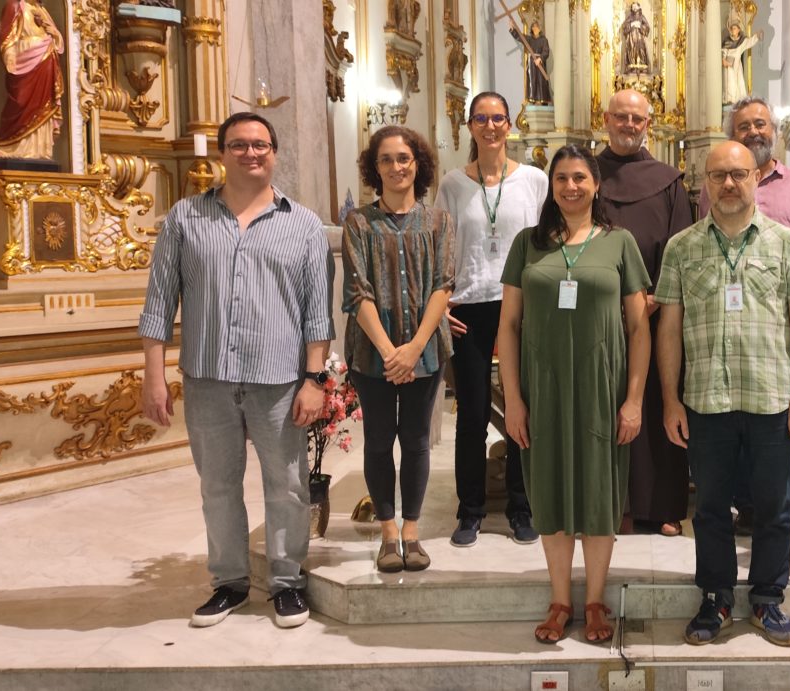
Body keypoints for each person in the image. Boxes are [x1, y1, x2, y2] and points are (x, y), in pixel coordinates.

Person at [139, 112, 333, 628]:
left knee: (287, 485)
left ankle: (288, 583)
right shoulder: (185, 219)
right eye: (240, 145)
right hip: (208, 377)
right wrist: (153, 375)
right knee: (217, 486)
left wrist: (314, 380)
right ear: (222, 153)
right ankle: (228, 582)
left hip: (278, 380)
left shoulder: (304, 224)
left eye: (261, 145)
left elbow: (318, 312)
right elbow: (159, 303)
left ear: (275, 152)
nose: (252, 153)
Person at [657, 141, 790, 648]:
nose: (729, 184)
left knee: (774, 506)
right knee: (709, 509)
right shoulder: (682, 247)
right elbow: (668, 328)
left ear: (756, 177)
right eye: (718, 175)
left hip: (772, 397)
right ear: (704, 183)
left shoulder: (786, 243)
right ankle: (716, 598)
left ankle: (768, 599)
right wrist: (670, 399)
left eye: (739, 174)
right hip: (706, 401)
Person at [498, 145, 651, 644]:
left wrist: (633, 399)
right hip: (543, 388)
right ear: (551, 185)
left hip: (602, 388)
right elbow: (509, 325)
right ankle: (561, 600)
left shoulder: (619, 242)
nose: (570, 186)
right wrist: (514, 399)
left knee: (600, 493)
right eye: (561, 178)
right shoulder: (528, 244)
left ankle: (595, 600)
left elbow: (639, 328)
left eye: (580, 177)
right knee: (550, 488)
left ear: (596, 184)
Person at [699, 97, 790, 541]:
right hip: (736, 323)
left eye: (761, 124)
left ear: (774, 129)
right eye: (744, 126)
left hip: (788, 314)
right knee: (742, 417)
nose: (754, 132)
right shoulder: (715, 186)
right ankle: (750, 505)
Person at [437, 91, 548, 548]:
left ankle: (523, 506)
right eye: (481, 118)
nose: (490, 126)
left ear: (510, 124)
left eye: (498, 118)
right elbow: (442, 247)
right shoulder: (452, 183)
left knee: (524, 407)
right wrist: (440, 302)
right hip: (468, 308)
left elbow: (546, 242)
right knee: (473, 413)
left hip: (522, 304)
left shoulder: (534, 180)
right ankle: (471, 509)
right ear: (469, 126)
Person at [341, 125, 454, 574]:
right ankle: (387, 532)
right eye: (386, 159)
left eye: (404, 158)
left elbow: (443, 285)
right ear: (375, 168)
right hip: (373, 354)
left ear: (418, 164)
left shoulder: (439, 221)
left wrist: (416, 347)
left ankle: (412, 530)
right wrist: (393, 352)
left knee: (417, 441)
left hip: (425, 351)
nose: (396, 167)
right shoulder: (358, 223)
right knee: (379, 440)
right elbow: (357, 291)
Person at [595, 89, 694, 537]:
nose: (629, 125)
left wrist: (652, 297)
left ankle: (663, 505)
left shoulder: (668, 180)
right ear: (606, 118)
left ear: (648, 124)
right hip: (596, 314)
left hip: (656, 312)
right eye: (621, 117)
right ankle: (614, 501)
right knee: (606, 405)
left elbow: (680, 244)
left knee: (658, 402)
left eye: (637, 118)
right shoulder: (585, 174)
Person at [0, 0, 65, 160]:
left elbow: (58, 42)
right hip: (24, 64)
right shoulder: (14, 6)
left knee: (43, 106)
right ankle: (13, 147)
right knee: (20, 101)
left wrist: (51, 30)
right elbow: (7, 38)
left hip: (46, 65)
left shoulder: (42, 10)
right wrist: (10, 56)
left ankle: (40, 150)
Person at [510, 20, 552, 105]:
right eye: (533, 27)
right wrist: (512, 29)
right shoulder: (529, 39)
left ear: (539, 29)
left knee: (541, 81)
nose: (535, 28)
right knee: (532, 81)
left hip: (540, 63)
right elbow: (521, 37)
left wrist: (540, 58)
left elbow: (546, 51)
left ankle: (542, 100)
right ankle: (532, 98)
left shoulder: (544, 40)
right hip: (532, 63)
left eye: (536, 27)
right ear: (531, 29)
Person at [720, 22, 760, 106]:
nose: (733, 30)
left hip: (737, 66)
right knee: (729, 83)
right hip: (728, 66)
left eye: (734, 28)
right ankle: (729, 100)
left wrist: (756, 36)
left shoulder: (742, 41)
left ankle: (737, 101)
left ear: (738, 30)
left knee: (738, 83)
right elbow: (723, 51)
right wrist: (723, 60)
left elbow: (749, 42)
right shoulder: (727, 41)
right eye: (731, 28)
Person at [620, 2, 651, 74]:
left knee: (641, 51)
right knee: (631, 52)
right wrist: (631, 24)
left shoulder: (642, 17)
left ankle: (642, 67)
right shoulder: (630, 17)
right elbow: (624, 28)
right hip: (631, 40)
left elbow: (647, 28)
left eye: (635, 6)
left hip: (640, 39)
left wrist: (640, 26)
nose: (634, 8)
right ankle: (631, 67)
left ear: (639, 7)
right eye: (633, 7)